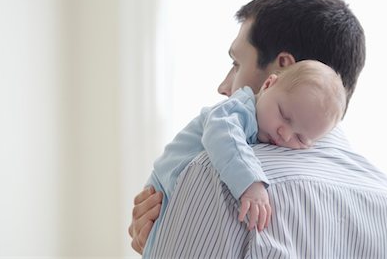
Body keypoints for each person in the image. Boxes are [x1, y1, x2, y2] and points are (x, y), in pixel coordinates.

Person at [130, 0, 387, 258]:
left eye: (236, 63)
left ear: (282, 69)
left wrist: (164, 241)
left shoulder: (220, 174)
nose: (223, 86)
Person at [144, 60, 346, 257]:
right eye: (284, 115)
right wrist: (250, 183)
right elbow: (222, 135)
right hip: (163, 186)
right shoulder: (238, 109)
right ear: (268, 85)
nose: (285, 134)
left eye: (300, 138)